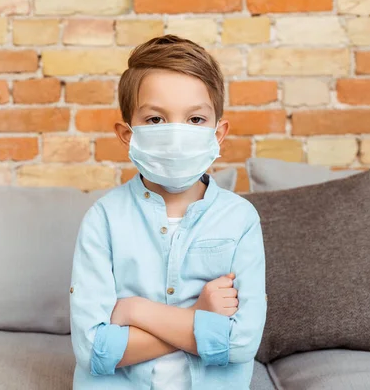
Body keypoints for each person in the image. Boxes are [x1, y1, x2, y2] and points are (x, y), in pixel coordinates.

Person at [69, 35, 267, 390]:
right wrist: (198, 317)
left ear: (218, 133)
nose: (176, 136)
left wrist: (135, 311)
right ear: (127, 134)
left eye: (194, 119)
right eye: (156, 120)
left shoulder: (241, 219)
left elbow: (241, 344)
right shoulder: (103, 219)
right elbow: (93, 349)